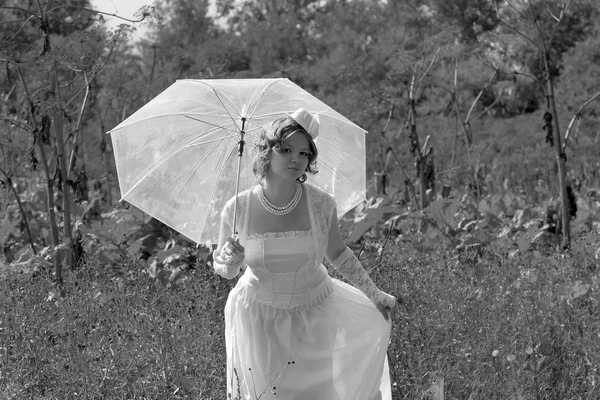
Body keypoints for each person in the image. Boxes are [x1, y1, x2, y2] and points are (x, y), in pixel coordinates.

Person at [212, 108, 398, 400]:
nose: (296, 160)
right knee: (269, 394)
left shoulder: (322, 204)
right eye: (286, 150)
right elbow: (225, 270)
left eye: (304, 153)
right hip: (259, 316)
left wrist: (373, 293)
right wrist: (231, 259)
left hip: (314, 312)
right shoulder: (238, 209)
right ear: (266, 152)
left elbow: (338, 252)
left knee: (321, 393)